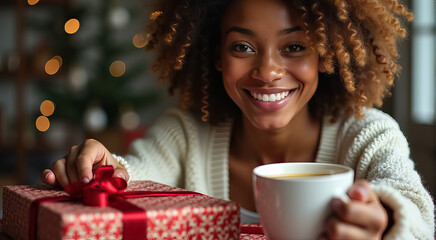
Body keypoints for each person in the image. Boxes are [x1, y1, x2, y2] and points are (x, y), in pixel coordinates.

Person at [41, 0, 434, 239]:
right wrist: (103, 169)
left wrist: (383, 222)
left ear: (325, 55)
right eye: (243, 47)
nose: (267, 71)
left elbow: (414, 211)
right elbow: (135, 175)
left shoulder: (367, 134)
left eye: (294, 47)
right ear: (217, 57)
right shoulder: (185, 134)